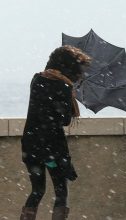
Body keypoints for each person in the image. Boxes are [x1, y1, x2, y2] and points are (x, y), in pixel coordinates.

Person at [20, 45, 91, 220]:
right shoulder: (64, 87)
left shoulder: (36, 79)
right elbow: (65, 120)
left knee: (37, 190)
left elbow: (41, 111)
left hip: (31, 144)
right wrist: (69, 95)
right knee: (61, 193)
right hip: (52, 150)